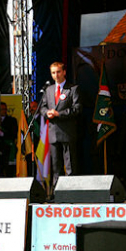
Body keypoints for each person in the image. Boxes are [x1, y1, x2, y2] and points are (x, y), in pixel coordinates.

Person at [40, 62, 81, 193]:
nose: (56, 75)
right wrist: (46, 113)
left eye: (58, 72)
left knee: (69, 166)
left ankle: (71, 192)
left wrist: (59, 113)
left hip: (67, 132)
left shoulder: (73, 88)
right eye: (53, 73)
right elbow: (43, 107)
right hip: (53, 133)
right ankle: (56, 193)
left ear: (64, 72)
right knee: (55, 166)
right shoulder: (49, 89)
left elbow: (77, 109)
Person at [0, 102, 18, 177]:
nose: (3, 111)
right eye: (1, 109)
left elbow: (14, 133)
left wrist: (3, 134)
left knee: (9, 171)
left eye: (4, 109)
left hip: (8, 149)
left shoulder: (12, 120)